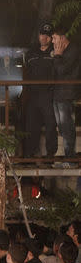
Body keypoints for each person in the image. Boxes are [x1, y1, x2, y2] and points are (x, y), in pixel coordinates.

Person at [23, 22, 58, 158]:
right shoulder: (31, 53)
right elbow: (25, 73)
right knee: (31, 126)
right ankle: (29, 155)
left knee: (50, 125)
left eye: (47, 35)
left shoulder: (56, 52)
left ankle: (50, 155)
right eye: (42, 34)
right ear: (39, 35)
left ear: (51, 37)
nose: (44, 38)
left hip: (49, 95)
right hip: (33, 95)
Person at [52, 26, 79, 163]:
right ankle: (68, 155)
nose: (52, 41)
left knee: (67, 125)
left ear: (62, 38)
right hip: (57, 92)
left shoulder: (73, 51)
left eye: (54, 38)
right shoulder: (61, 51)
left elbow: (61, 70)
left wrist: (57, 55)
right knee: (61, 126)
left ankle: (70, 157)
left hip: (67, 93)